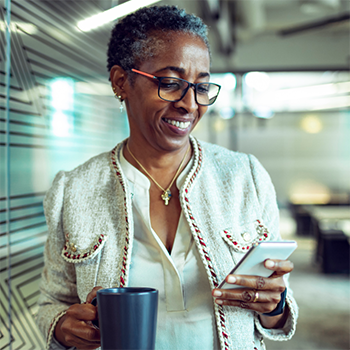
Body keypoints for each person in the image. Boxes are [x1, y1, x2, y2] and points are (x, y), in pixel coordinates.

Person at [36, 5, 298, 350]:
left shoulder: (244, 176)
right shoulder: (74, 190)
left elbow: (279, 308)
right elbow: (50, 304)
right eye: (171, 84)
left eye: (201, 88)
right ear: (120, 82)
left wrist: (274, 306)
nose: (190, 104)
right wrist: (61, 327)